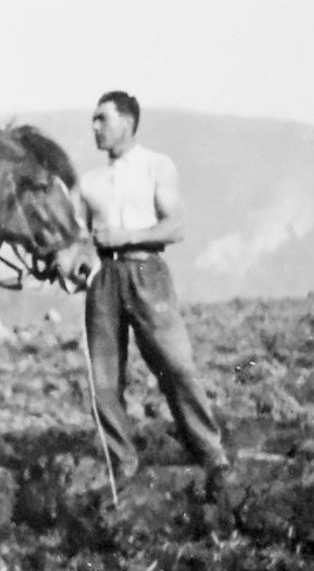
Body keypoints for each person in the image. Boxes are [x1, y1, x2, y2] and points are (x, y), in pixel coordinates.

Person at [75, 91, 230, 501]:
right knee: (103, 380)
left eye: (101, 119)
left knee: (176, 366)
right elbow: (75, 238)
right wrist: (77, 261)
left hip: (148, 273)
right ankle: (122, 463)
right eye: (93, 120)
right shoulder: (88, 182)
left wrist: (127, 236)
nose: (94, 127)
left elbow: (176, 226)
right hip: (103, 278)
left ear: (127, 122)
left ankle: (211, 455)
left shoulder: (156, 166)